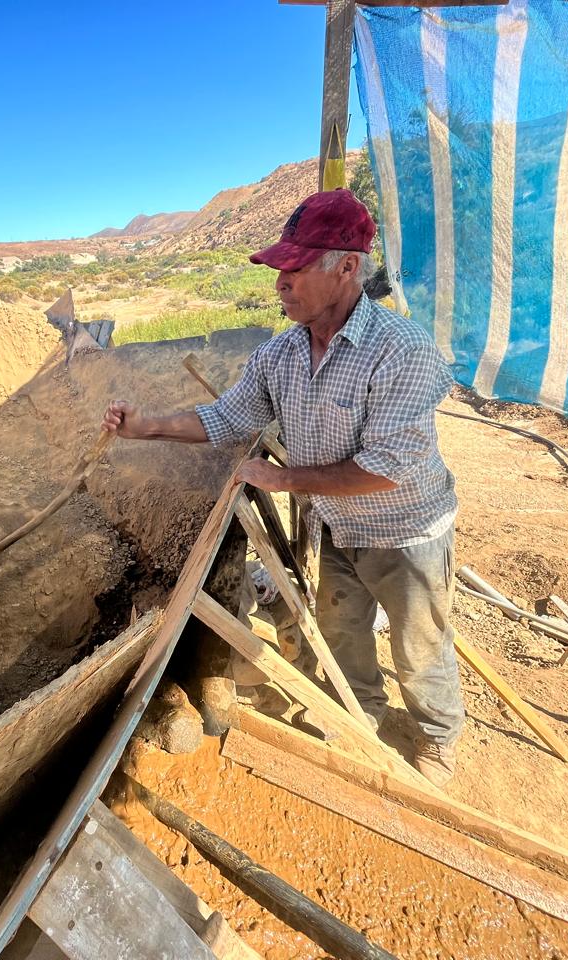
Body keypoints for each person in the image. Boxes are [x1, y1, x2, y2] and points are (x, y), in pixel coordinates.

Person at [101, 189, 462, 787]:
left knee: (420, 649)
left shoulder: (402, 350)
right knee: (344, 633)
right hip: (340, 527)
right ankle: (360, 715)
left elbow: (386, 467)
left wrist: (282, 479)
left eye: (295, 268)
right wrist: (148, 426)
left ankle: (436, 740)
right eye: (278, 270)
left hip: (405, 532)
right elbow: (226, 420)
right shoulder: (282, 354)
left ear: (347, 267)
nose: (281, 284)